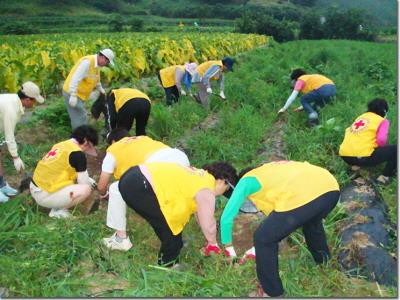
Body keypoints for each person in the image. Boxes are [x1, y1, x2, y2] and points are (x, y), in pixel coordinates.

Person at [220, 160, 340, 297]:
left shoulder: (247, 180)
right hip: (330, 188)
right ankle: (323, 262)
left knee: (263, 238)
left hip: (307, 195)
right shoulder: (270, 172)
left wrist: (229, 247)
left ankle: (271, 292)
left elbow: (226, 217)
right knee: (312, 223)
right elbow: (281, 223)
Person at [118, 161, 237, 267]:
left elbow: (199, 213)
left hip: (133, 175)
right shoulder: (207, 188)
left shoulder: (200, 177)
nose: (221, 194)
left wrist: (210, 239)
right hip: (141, 184)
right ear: (222, 181)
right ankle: (167, 266)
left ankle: (170, 256)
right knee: (171, 233)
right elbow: (207, 221)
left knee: (169, 228)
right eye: (225, 190)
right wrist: (212, 243)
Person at [98, 127, 190, 251]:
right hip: (180, 159)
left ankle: (120, 239)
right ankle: (176, 237)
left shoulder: (113, 150)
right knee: (169, 200)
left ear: (113, 141)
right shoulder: (143, 138)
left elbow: (102, 184)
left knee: (115, 188)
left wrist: (104, 194)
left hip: (156, 167)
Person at [30, 125, 98, 218]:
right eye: (90, 146)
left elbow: (66, 168)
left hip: (35, 187)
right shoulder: (78, 154)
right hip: (44, 194)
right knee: (86, 189)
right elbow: (83, 183)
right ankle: (58, 210)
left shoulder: (62, 145)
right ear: (86, 141)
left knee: (80, 181)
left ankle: (56, 203)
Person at [0, 81, 45, 203]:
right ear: (27, 99)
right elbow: (9, 135)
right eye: (34, 100)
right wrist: (15, 157)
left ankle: (1, 185)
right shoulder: (11, 108)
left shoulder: (15, 102)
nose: (34, 103)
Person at [339, 98, 396, 185]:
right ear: (384, 111)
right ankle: (384, 177)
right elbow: (381, 140)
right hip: (363, 157)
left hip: (345, 155)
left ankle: (355, 167)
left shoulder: (361, 117)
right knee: (396, 150)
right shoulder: (382, 121)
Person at [62, 48, 115, 129]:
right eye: (107, 62)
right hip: (72, 93)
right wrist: (73, 94)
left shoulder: (97, 65)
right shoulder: (87, 62)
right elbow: (75, 78)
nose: (106, 64)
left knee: (79, 116)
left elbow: (96, 79)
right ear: (103, 58)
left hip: (80, 95)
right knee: (79, 117)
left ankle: (80, 135)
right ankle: (79, 138)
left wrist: (100, 89)